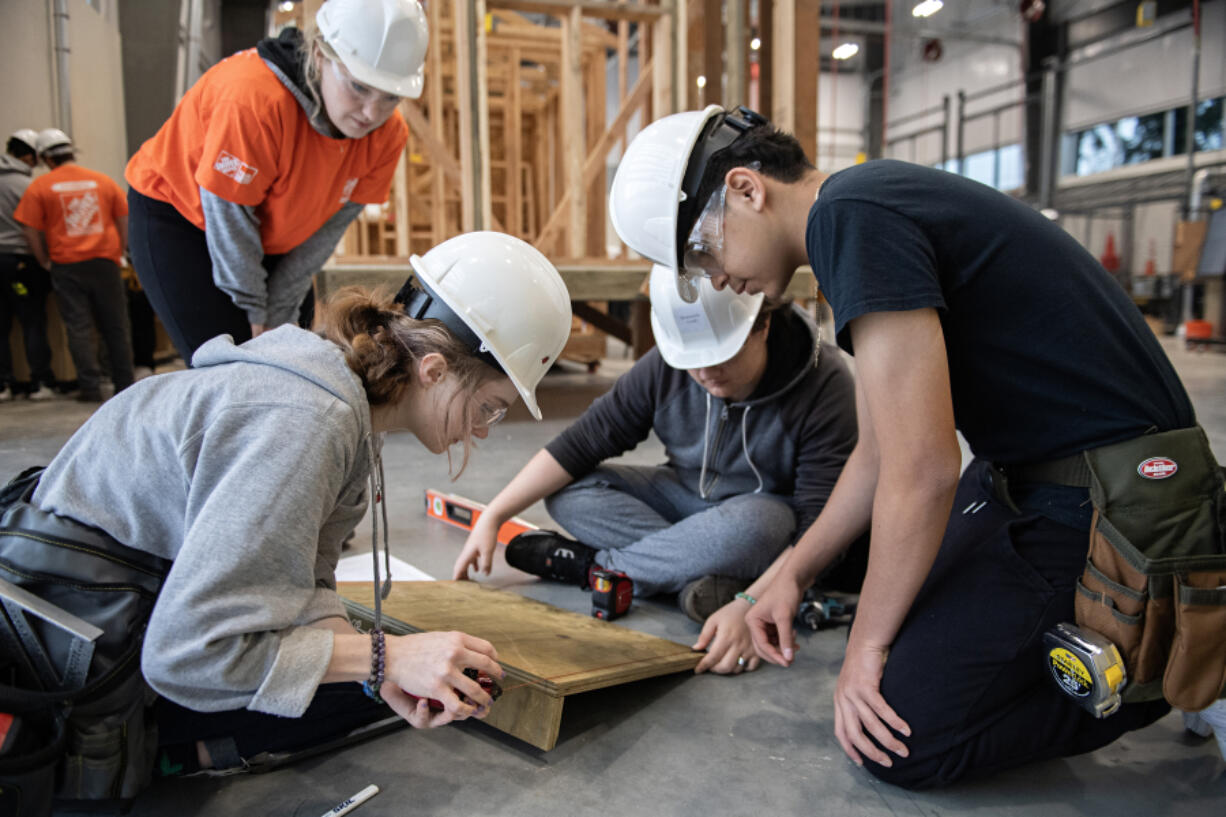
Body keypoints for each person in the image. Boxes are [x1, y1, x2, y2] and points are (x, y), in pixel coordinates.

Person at [607, 106, 1209, 788]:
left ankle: (1170, 665)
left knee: (899, 732)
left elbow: (923, 472)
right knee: (891, 633)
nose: (713, 278)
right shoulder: (858, 212)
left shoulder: (852, 220)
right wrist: (788, 575)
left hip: (1111, 501)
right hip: (1025, 475)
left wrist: (865, 643)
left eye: (701, 251)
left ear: (747, 189)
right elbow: (879, 454)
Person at [1, 232, 572, 788]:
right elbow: (184, 653)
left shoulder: (351, 407)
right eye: (490, 407)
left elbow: (307, 585)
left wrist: (381, 676)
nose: (482, 429)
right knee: (371, 676)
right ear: (435, 371)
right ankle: (164, 753)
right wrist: (383, 658)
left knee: (376, 691)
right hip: (81, 647)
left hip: (130, 605)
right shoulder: (307, 421)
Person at [453, 263, 860, 675]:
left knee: (760, 522)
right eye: (691, 360)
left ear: (762, 324)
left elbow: (822, 526)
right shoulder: (668, 365)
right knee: (570, 493)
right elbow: (581, 444)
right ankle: (695, 581)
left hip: (759, 527)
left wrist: (750, 606)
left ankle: (593, 569)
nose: (703, 373)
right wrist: (496, 513)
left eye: (719, 356)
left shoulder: (825, 383)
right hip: (682, 499)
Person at [124, 0, 424, 362]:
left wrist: (280, 314)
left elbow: (326, 233)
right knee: (233, 367)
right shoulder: (252, 100)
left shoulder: (388, 135)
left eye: (390, 96)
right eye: (359, 87)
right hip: (185, 220)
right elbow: (230, 216)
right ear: (319, 55)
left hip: (273, 236)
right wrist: (253, 313)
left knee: (293, 359)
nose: (371, 112)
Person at [14, 128, 133, 402]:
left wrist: (43, 259)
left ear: (45, 158)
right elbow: (124, 217)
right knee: (115, 324)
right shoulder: (101, 181)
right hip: (105, 261)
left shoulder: (40, 187)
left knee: (78, 327)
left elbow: (28, 229)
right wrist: (120, 250)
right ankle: (124, 383)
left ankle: (90, 388)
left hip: (67, 264)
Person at [0, 129, 57, 402]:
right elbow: (36, 228)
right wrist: (45, 260)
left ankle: (5, 383)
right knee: (32, 320)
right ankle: (40, 380)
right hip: (21, 261)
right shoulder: (27, 187)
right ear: (30, 156)